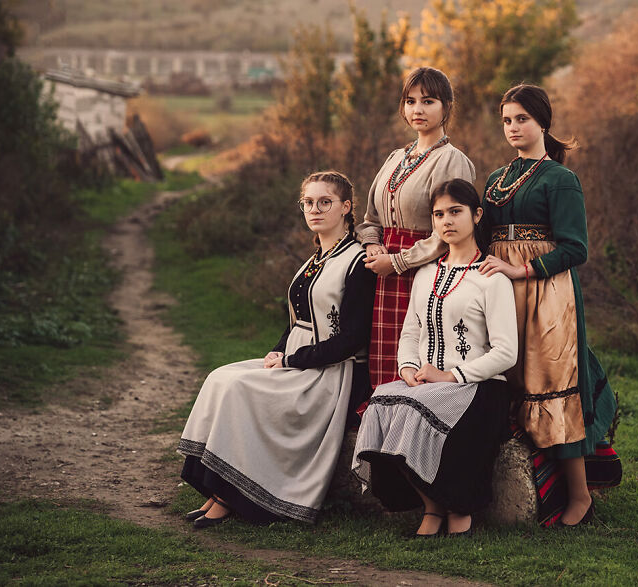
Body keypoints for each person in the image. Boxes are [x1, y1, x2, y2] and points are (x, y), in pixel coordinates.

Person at [177, 171, 376, 529]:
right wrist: (276, 353)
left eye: (325, 202)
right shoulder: (316, 258)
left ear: (346, 207)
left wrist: (291, 360)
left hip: (330, 374)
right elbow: (296, 320)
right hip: (298, 362)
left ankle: (229, 497)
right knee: (220, 377)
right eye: (308, 203)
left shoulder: (356, 261)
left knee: (240, 388)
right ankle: (217, 489)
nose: (315, 209)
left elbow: (352, 339)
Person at [478, 84, 620, 528]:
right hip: (501, 291)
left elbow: (576, 248)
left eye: (522, 118)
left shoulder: (560, 179)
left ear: (542, 122)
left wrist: (522, 269)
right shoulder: (495, 179)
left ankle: (579, 496)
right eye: (507, 120)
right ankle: (522, 488)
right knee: (507, 378)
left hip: (547, 293)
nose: (513, 127)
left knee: (554, 384)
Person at [352, 179, 517, 537]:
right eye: (439, 214)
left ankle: (458, 504)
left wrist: (451, 376)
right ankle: (432, 504)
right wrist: (408, 368)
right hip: (428, 384)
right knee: (381, 401)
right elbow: (410, 332)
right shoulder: (426, 273)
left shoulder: (491, 278)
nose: (447, 221)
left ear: (476, 215)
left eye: (456, 212)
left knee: (413, 408)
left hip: (480, 388)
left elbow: (506, 352)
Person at [357, 66, 476, 391]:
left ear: (446, 106)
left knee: (416, 358)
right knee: (384, 358)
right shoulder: (396, 157)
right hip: (384, 274)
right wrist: (372, 245)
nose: (417, 110)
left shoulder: (452, 160)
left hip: (425, 271)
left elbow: (451, 232)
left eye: (428, 101)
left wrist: (397, 261)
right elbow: (371, 219)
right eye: (410, 101)